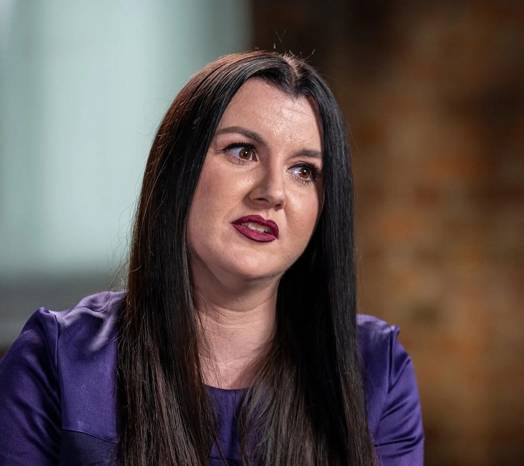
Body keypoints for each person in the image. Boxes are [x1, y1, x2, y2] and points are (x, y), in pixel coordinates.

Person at [0, 51, 423, 465]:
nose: (273, 192)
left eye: (303, 171)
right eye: (243, 151)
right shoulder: (57, 361)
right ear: (178, 169)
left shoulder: (376, 371)